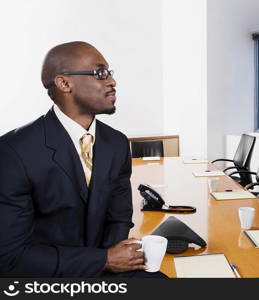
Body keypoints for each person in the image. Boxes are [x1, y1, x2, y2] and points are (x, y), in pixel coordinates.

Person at [0, 41, 165, 278]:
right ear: (64, 83)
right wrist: (103, 260)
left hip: (105, 269)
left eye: (109, 72)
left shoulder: (116, 143)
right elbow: (12, 257)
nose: (112, 81)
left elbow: (118, 217)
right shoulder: (12, 152)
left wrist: (113, 260)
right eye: (100, 73)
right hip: (47, 277)